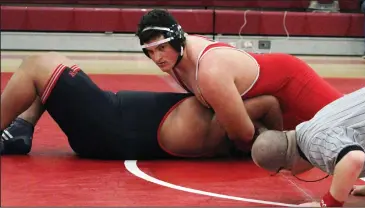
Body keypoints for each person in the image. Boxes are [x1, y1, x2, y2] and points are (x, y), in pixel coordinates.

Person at [0, 52, 283, 159]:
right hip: (107, 128)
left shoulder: (220, 126)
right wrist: (278, 136)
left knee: (37, 65)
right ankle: (20, 131)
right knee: (52, 80)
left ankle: (15, 129)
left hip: (107, 123)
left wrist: (280, 137)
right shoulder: (218, 126)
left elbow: (268, 103)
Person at [135, 9, 343, 151]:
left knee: (350, 122)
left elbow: (243, 134)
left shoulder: (209, 71)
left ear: (177, 41)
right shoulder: (174, 60)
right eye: (150, 51)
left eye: (161, 48)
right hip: (270, 101)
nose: (157, 58)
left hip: (291, 82)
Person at [251, 83, 365, 207]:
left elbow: (353, 158)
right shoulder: (314, 123)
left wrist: (328, 204)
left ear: (287, 167)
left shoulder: (314, 144)